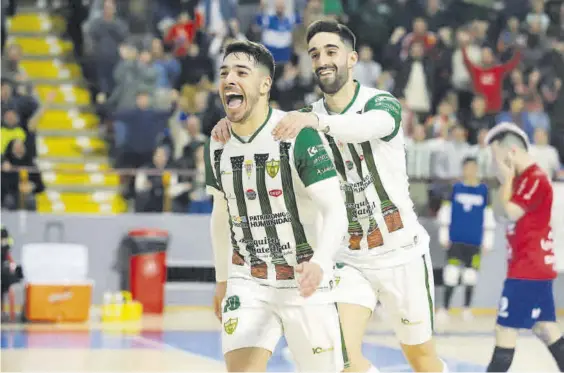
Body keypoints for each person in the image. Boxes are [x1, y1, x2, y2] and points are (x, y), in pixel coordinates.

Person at [211, 21, 447, 373]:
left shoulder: (380, 104)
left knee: (421, 357)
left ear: (352, 59)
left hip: (400, 252)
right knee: (345, 361)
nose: (322, 59)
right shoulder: (304, 118)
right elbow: (261, 124)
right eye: (315, 54)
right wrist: (232, 126)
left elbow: (366, 127)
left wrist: (317, 123)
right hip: (348, 259)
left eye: (331, 51)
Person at [205, 40, 349, 372]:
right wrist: (223, 280)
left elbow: (335, 210)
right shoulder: (217, 142)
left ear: (265, 84)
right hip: (249, 279)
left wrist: (320, 263)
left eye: (241, 72)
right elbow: (220, 215)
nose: (229, 78)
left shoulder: (297, 134)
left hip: (304, 280)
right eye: (224, 72)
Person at [485, 122, 564, 372]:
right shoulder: (517, 181)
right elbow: (498, 213)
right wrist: (505, 182)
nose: (493, 162)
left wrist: (506, 180)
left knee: (504, 331)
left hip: (527, 269)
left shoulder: (535, 178)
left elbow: (508, 212)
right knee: (545, 328)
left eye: (495, 155)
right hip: (529, 266)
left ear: (510, 152)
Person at [436, 157, 495, 324]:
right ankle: (445, 308)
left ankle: (466, 308)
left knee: (470, 276)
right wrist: (444, 234)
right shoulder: (455, 188)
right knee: (451, 274)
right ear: (463, 169)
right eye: (467, 168)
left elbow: (488, 216)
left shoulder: (484, 190)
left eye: (473, 168)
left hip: (474, 241)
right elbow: (445, 211)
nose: (470, 171)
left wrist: (488, 239)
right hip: (456, 239)